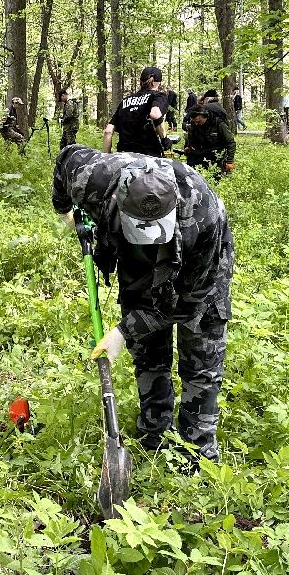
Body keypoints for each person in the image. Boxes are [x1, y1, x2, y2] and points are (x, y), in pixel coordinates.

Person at [52, 146, 233, 469]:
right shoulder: (92, 178)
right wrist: (64, 210)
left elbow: (186, 302)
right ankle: (154, 433)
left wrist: (123, 331)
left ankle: (198, 454)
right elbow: (66, 157)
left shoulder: (202, 215)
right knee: (148, 351)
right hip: (133, 265)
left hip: (196, 271)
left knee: (201, 359)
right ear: (116, 202)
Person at [104, 67, 168, 156]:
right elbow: (155, 114)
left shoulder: (125, 101)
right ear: (158, 83)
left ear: (140, 81)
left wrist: (106, 157)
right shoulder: (158, 96)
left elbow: (108, 131)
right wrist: (164, 139)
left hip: (124, 156)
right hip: (148, 156)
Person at [184, 90, 235, 172]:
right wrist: (189, 147)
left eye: (199, 121)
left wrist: (229, 162)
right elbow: (191, 138)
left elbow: (231, 142)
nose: (196, 124)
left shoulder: (218, 123)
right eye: (195, 122)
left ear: (205, 116)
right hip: (201, 151)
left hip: (215, 152)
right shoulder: (194, 124)